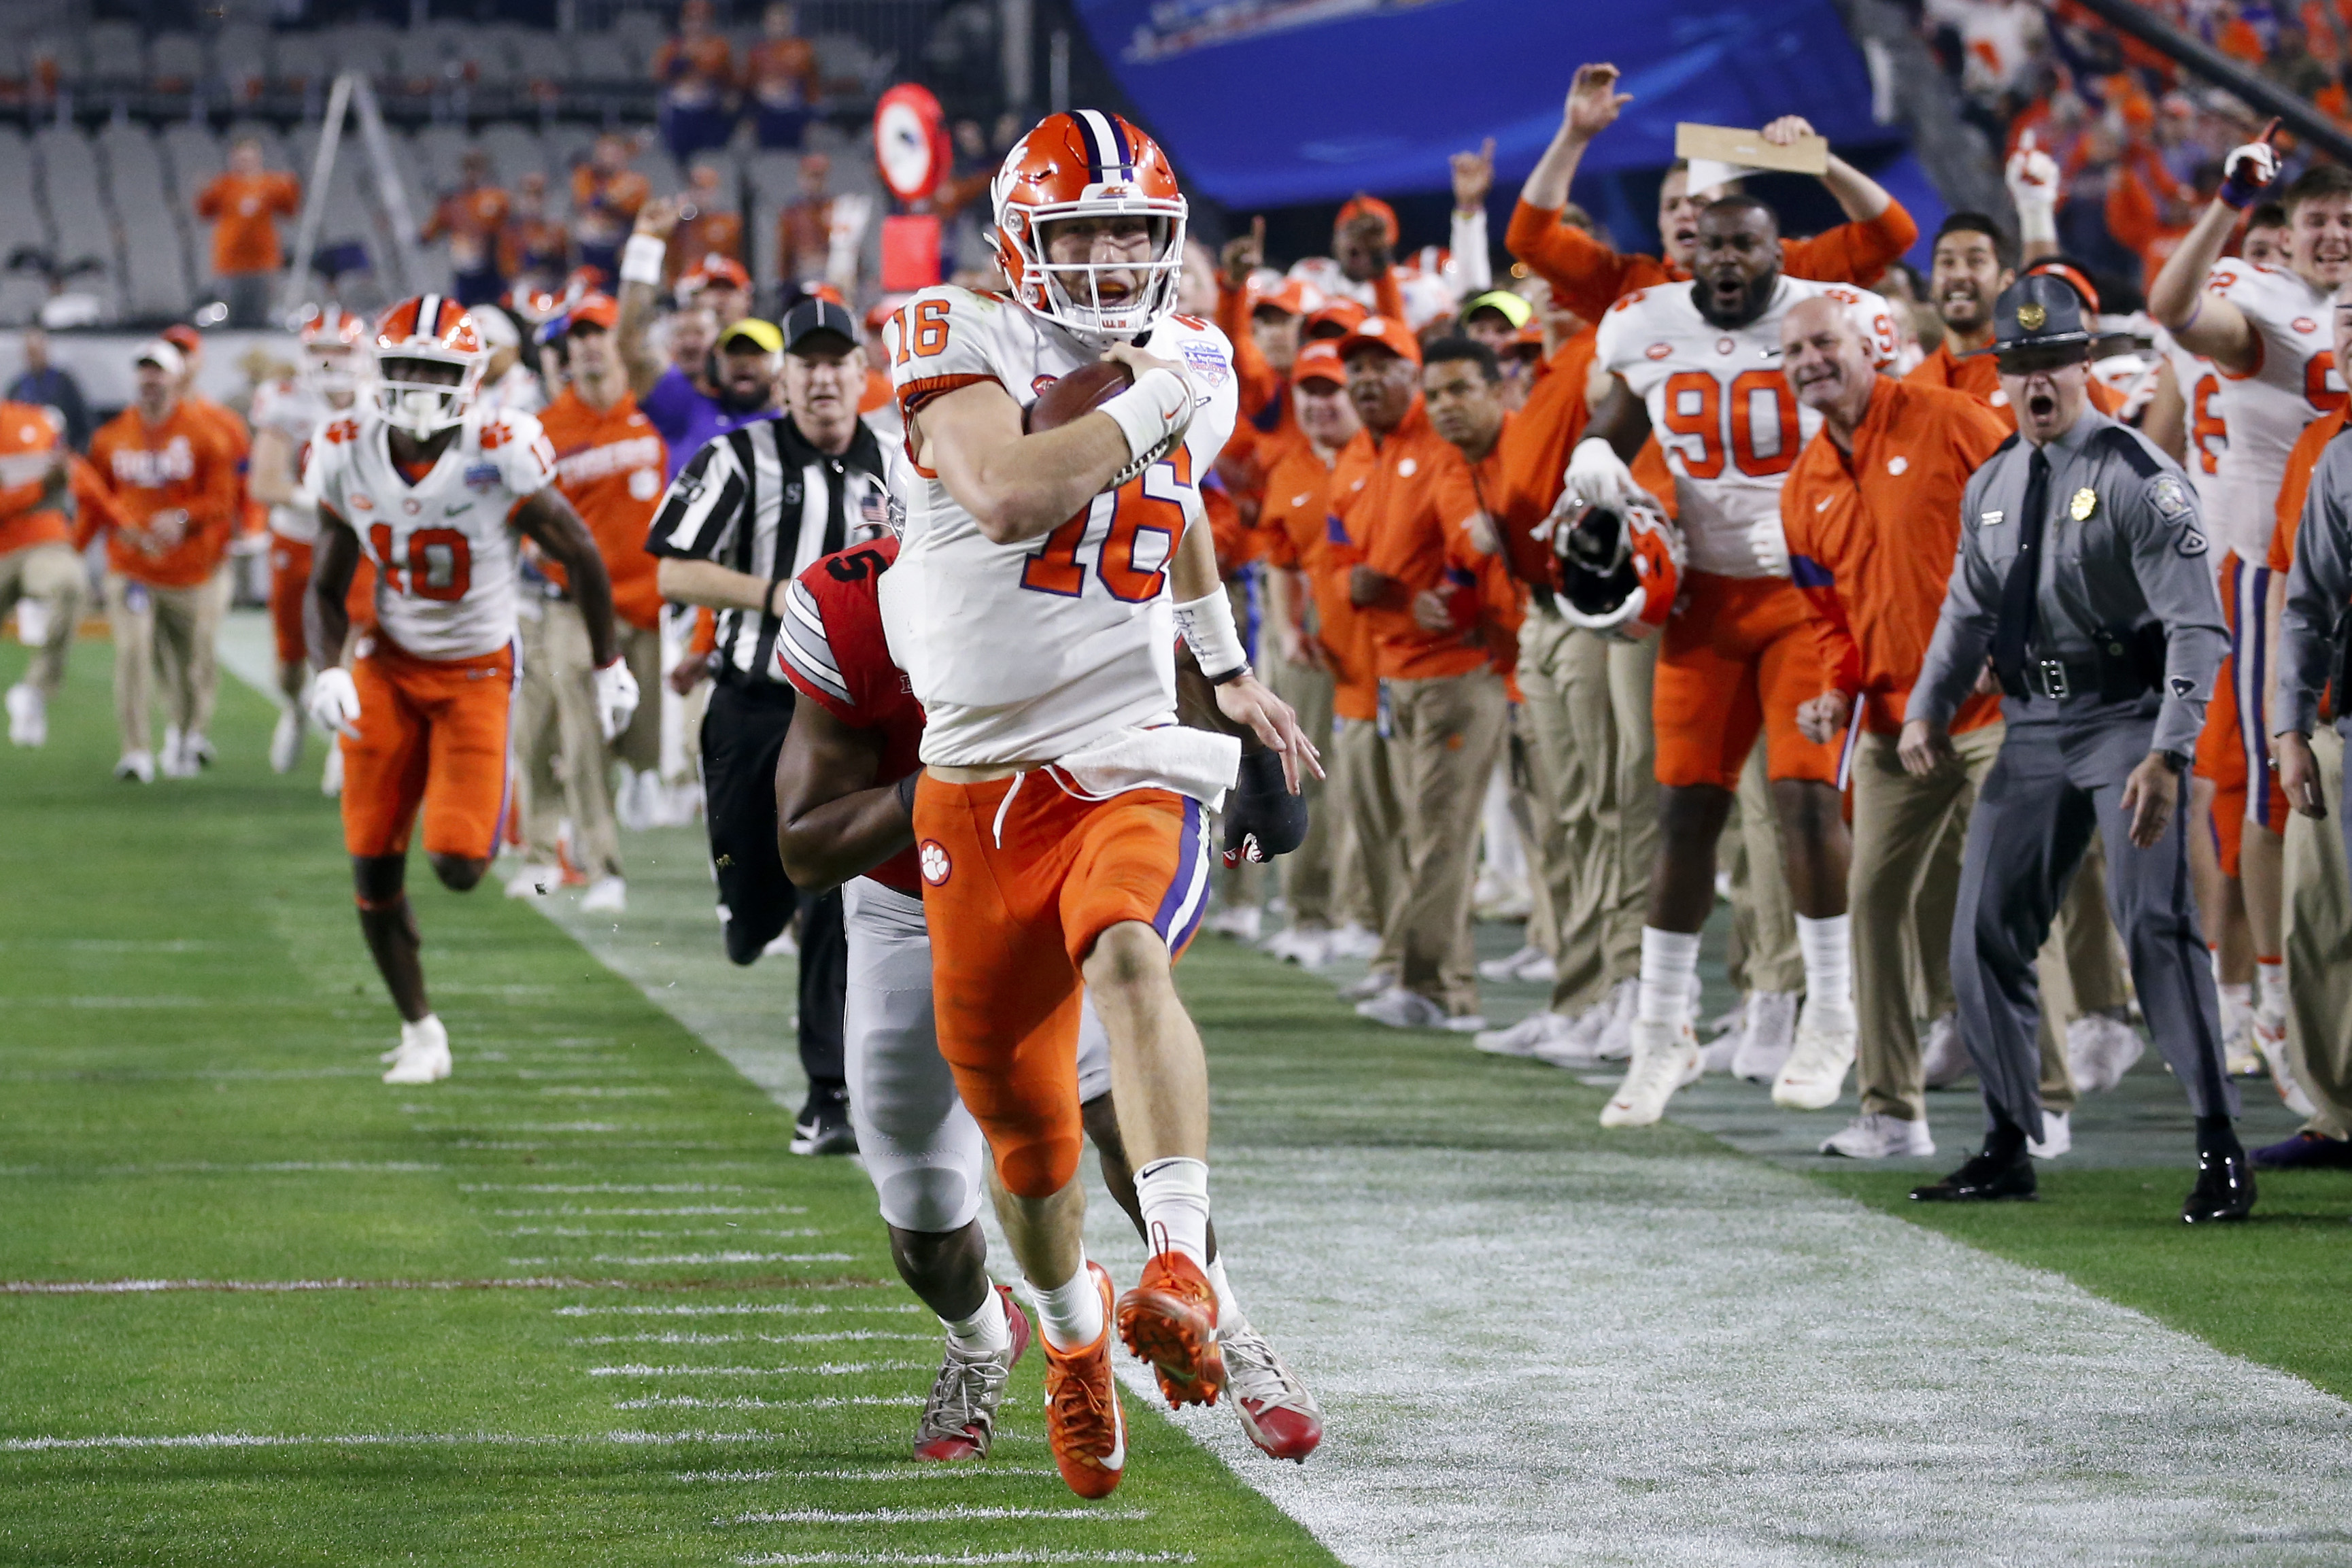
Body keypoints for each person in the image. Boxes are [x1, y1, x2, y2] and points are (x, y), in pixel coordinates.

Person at [881, 110, 1319, 1499]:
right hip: (972, 783)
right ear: (1024, 240)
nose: (1116, 254)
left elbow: (1173, 499)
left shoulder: (1188, 361)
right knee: (1023, 1140)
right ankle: (1073, 1348)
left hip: (1126, 749)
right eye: (1083, 231)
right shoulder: (951, 332)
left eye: (1136, 229)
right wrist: (1154, 397)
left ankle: (1182, 1263)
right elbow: (1011, 492)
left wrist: (1228, 668)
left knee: (1130, 948)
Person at [772, 529, 1321, 1466]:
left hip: (1054, 867)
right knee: (923, 1218)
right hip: (915, 898)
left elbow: (1179, 638)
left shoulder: (1076, 545)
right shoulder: (849, 603)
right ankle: (986, 1334)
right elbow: (804, 845)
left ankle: (1222, 1324)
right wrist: (954, 779)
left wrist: (1251, 756)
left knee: (1119, 1111)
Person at [1903, 274, 2248, 1223]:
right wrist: (1924, 707)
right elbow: (1964, 611)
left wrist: (2169, 752)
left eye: (2050, 361)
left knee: (2153, 927)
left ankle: (2219, 1143)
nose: (2033, 383)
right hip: (2029, 727)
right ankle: (2008, 1139)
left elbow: (2196, 629)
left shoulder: (2138, 474)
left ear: (2082, 364)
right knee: (1982, 931)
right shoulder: (1993, 481)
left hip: (2127, 722)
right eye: (2016, 368)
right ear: (1999, 379)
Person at [1578, 197, 1899, 1127]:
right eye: (1710, 242)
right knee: (1681, 811)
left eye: (1743, 243)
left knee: (1802, 800)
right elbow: (1608, 423)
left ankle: (1829, 1012)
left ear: (1774, 249)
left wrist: (1839, 535)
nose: (1724, 258)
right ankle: (1660, 1031)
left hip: (1803, 595)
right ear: (1690, 250)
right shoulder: (1647, 324)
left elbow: (1873, 427)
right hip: (1702, 599)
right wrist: (1591, 465)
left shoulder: (1822, 316)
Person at [304, 296, 637, 1087]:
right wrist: (328, 667)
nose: (418, 383)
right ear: (377, 373)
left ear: (471, 378)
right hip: (386, 665)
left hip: (477, 671)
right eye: (405, 367)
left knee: (457, 862)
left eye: (436, 369)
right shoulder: (347, 446)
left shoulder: (502, 445)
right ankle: (421, 1030)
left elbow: (582, 552)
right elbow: (324, 581)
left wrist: (606, 663)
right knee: (372, 865)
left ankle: (460, 809)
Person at [645, 296, 891, 1155]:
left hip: (850, 714)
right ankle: (747, 907)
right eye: (808, 364)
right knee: (754, 909)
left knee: (835, 891)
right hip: (752, 700)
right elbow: (673, 573)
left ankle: (828, 1092)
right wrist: (772, 595)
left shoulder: (902, 457)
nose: (823, 379)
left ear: (864, 373)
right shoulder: (736, 457)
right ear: (785, 377)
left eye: (838, 362)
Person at [1778, 296, 2014, 1157]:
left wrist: (2010, 636)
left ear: (1866, 345)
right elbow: (1828, 614)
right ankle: (1891, 1110)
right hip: (1887, 722)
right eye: (1796, 349)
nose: (1811, 359)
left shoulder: (1953, 418)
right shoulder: (1804, 484)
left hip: (1993, 708)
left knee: (2003, 902)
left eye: (1824, 342)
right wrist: (1835, 690)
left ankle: (2039, 1102)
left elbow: (2031, 523)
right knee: (1872, 902)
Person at [2149, 150, 2352, 1096]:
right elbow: (2174, 306)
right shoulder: (2266, 306)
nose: (2332, 235)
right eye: (2316, 219)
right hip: (2280, 567)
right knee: (2277, 790)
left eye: (2345, 218)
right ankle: (2275, 1001)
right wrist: (2226, 202)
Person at [1333, 325, 1514, 1030]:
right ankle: (1409, 966)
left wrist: (1462, 590)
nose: (1367, 380)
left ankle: (1440, 988)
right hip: (1392, 671)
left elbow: (1473, 532)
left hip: (1454, 671)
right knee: (1413, 829)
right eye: (1357, 368)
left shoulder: (1438, 450)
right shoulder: (1357, 456)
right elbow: (1341, 552)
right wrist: (1362, 583)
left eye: (1385, 366)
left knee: (1441, 832)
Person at [1510, 65, 1916, 329]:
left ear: (1740, 220)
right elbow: (1529, 239)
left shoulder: (1787, 268)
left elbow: (1891, 234)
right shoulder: (1630, 285)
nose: (1685, 212)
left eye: (1700, 203)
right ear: (1660, 226)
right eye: (1671, 207)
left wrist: (1821, 161)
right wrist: (1573, 137)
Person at [507, 294, 668, 916]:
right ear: (565, 350)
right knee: (578, 736)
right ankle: (601, 865)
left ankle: (641, 780)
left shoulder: (655, 412)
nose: (590, 345)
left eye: (599, 332)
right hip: (574, 607)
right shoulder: (546, 429)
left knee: (643, 739)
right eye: (578, 337)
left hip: (650, 605)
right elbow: (524, 520)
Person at [2269, 279, 2352, 1168]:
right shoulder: (2336, 458)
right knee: (2317, 915)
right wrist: (2287, 726)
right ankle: (2336, 1115)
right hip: (2342, 721)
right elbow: (2305, 605)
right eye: (2346, 319)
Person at [81, 339, 241, 783]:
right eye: (143, 372)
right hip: (131, 568)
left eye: (158, 372)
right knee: (132, 652)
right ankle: (135, 751)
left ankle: (187, 735)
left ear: (176, 379)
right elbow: (97, 497)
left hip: (187, 571)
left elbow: (223, 500)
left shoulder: (206, 434)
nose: (149, 380)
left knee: (192, 663)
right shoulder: (111, 436)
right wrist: (83, 547)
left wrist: (185, 518)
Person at [1252, 341, 1363, 966]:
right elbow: (1280, 560)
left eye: (1333, 390)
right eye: (1310, 391)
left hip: (1377, 630)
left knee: (1373, 784)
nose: (1320, 404)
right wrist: (1290, 627)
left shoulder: (1381, 454)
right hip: (1315, 629)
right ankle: (1310, 912)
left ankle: (1364, 914)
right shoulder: (1291, 465)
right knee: (1306, 770)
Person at [248, 304, 368, 781]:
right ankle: (296, 710)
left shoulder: (377, 401)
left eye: (340, 350)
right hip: (299, 539)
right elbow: (263, 484)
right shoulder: (285, 400)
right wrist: (324, 500)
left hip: (358, 539)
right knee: (291, 658)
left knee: (355, 634)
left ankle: (343, 739)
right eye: (320, 349)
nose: (330, 361)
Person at [618, 199, 781, 476]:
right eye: (734, 354)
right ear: (717, 357)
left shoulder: (798, 428)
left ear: (781, 368)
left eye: (756, 355)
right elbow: (632, 343)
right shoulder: (688, 407)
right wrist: (646, 245)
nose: (744, 364)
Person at [0, 399, 78, 747]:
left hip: (41, 541)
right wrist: (36, 489)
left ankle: (35, 691)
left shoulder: (36, 420)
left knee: (70, 585)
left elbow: (74, 480)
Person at [194, 138, 301, 330]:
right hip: (230, 263)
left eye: (250, 158)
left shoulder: (272, 184)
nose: (246, 163)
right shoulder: (223, 185)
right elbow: (204, 212)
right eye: (241, 159)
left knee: (262, 316)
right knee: (232, 316)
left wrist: (291, 187)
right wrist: (203, 192)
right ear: (233, 160)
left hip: (263, 262)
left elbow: (290, 211)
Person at [422, 152, 511, 309]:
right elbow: (430, 232)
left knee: (498, 310)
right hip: (464, 271)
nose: (473, 174)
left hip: (492, 268)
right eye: (469, 168)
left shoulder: (496, 198)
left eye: (477, 169)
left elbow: (510, 229)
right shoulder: (452, 203)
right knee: (464, 312)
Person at [652, 0, 736, 163]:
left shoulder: (720, 47)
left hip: (709, 112)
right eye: (691, 19)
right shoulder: (672, 47)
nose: (697, 25)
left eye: (702, 20)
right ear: (683, 22)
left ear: (709, 22)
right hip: (680, 112)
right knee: (676, 160)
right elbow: (659, 76)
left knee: (710, 160)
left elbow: (730, 81)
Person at [571, 133, 651, 285]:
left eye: (614, 153)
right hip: (591, 242)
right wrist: (612, 198)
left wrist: (610, 201)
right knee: (585, 228)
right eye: (604, 153)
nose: (609, 158)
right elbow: (587, 205)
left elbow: (635, 214)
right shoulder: (585, 175)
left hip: (623, 237)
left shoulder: (637, 181)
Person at [746, 3, 819, 151]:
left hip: (795, 115)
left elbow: (812, 88)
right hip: (766, 115)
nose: (778, 28)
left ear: (790, 24)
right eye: (774, 23)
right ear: (766, 24)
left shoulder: (804, 51)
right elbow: (748, 88)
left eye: (782, 23)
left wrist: (811, 119)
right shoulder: (756, 53)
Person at [6, 328, 90, 451]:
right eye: (31, 353)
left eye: (38, 352)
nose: (34, 358)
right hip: (26, 455)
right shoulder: (16, 389)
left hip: (61, 453)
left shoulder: (64, 384)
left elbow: (84, 423)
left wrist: (76, 452)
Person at [498, 171, 572, 301]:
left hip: (553, 291)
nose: (532, 202)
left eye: (537, 196)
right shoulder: (510, 232)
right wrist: (532, 256)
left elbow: (566, 268)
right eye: (527, 196)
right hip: (523, 292)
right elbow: (508, 272)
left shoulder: (556, 230)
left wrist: (550, 252)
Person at [666, 165, 743, 284]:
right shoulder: (678, 225)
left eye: (705, 189)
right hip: (683, 285)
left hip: (719, 284)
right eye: (695, 188)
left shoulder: (731, 223)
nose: (700, 195)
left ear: (715, 190)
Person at [776, 154, 838, 290]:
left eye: (819, 177)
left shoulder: (836, 209)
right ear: (802, 178)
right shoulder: (791, 213)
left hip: (831, 275)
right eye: (811, 176)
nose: (815, 183)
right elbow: (784, 255)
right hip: (801, 277)